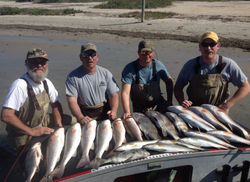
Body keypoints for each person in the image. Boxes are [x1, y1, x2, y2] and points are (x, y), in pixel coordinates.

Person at [0, 48, 77, 154]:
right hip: (23, 132)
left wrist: (58, 124)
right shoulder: (19, 85)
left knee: (73, 121)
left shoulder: (46, 82)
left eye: (42, 62)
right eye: (34, 62)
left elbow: (55, 105)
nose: (39, 65)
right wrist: (33, 132)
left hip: (42, 121)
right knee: (32, 157)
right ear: (26, 63)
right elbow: (6, 116)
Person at [174, 31, 250, 114]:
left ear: (218, 46)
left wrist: (227, 106)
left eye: (212, 44)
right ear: (200, 47)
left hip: (219, 112)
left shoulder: (228, 64)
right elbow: (178, 88)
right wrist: (182, 102)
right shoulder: (190, 65)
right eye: (204, 45)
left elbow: (245, 87)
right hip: (194, 112)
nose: (208, 48)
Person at [65, 43, 119, 124]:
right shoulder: (72, 77)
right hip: (84, 116)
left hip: (105, 114)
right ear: (81, 57)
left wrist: (113, 111)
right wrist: (80, 118)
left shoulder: (106, 73)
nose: (89, 58)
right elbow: (72, 101)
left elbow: (113, 95)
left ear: (97, 57)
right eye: (86, 55)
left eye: (92, 54)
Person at [121, 40, 173, 119]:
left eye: (149, 52)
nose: (146, 55)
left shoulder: (159, 65)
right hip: (139, 110)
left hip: (158, 106)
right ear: (138, 53)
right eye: (143, 53)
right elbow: (125, 93)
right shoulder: (129, 69)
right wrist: (127, 112)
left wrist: (169, 101)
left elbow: (169, 82)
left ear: (153, 52)